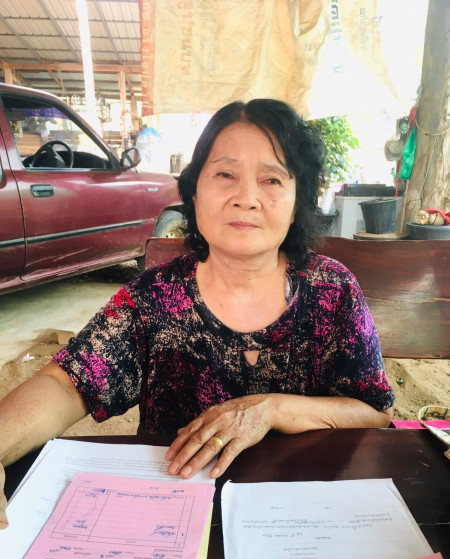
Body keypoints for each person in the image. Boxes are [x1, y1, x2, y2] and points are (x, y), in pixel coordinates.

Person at [0, 99, 394, 529]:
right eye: (225, 175)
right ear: (193, 191)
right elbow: (66, 384)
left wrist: (273, 410)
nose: (246, 199)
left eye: (271, 179)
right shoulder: (155, 298)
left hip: (305, 516)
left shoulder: (331, 290)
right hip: (173, 519)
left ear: (298, 198)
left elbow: (373, 410)